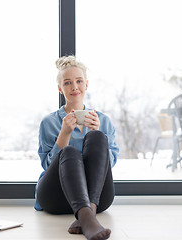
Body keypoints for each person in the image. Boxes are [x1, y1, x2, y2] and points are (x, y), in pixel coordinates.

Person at [34, 56, 119, 240]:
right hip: (56, 197)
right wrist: (64, 134)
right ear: (60, 88)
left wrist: (98, 134)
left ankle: (86, 215)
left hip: (96, 198)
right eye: (67, 82)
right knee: (69, 152)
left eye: (79, 81)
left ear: (86, 84)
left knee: (97, 137)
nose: (74, 87)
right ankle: (89, 218)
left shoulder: (103, 121)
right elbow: (47, 167)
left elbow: (109, 166)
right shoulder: (49, 122)